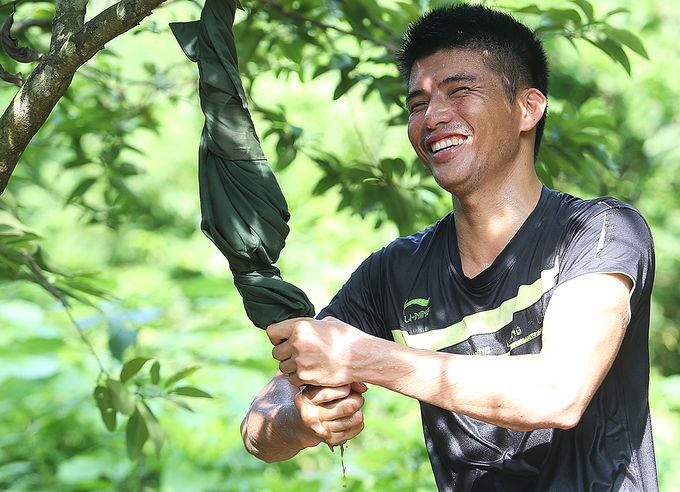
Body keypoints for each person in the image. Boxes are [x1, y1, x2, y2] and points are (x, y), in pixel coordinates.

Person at [240, 4, 658, 490]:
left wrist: (362, 356)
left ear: (528, 108)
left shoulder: (599, 230)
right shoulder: (393, 272)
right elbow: (258, 427)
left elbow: (559, 392)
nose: (433, 116)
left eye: (459, 91)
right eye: (417, 104)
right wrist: (300, 420)